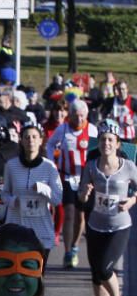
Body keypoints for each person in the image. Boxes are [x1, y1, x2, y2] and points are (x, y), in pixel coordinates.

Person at [78, 119, 137, 296]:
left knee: (105, 268)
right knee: (96, 273)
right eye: (103, 140)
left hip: (119, 226)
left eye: (111, 140)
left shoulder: (128, 167)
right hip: (95, 225)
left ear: (118, 143)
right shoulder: (91, 167)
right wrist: (84, 194)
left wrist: (131, 201)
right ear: (99, 143)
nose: (106, 144)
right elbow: (82, 197)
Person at [47, 99, 98, 269]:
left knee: (80, 216)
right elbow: (49, 144)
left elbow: (97, 153)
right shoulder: (63, 129)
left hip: (85, 178)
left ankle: (75, 246)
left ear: (86, 115)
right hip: (67, 177)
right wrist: (52, 163)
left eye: (82, 115)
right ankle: (67, 252)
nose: (79, 118)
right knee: (69, 212)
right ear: (71, 115)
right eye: (76, 115)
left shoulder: (91, 130)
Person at [2, 123, 64, 262]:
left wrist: (44, 189)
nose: (31, 140)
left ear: (41, 140)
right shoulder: (11, 165)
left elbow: (57, 199)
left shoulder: (49, 167)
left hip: (41, 229)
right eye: (27, 137)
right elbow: (4, 194)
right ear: (21, 140)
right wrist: (13, 201)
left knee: (36, 276)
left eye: (34, 137)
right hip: (16, 225)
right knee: (18, 274)